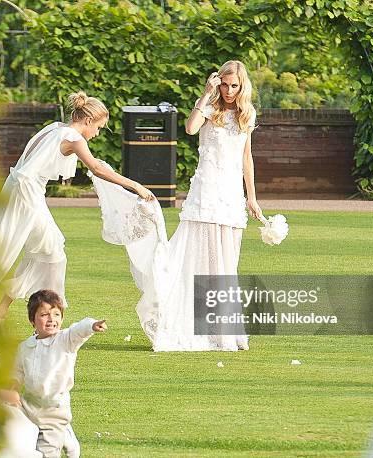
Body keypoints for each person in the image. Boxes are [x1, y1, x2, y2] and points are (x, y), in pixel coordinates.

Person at [89, 60, 261, 351]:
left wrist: (252, 196)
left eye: (235, 86)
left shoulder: (247, 114)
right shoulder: (208, 106)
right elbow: (191, 128)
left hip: (231, 194)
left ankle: (224, 330)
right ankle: (185, 323)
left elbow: (247, 157)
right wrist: (206, 94)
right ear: (218, 82)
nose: (229, 90)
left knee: (227, 261)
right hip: (206, 190)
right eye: (225, 84)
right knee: (197, 256)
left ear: (242, 86)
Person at [0, 92, 154, 321]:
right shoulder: (74, 137)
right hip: (27, 193)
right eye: (99, 128)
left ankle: (5, 311)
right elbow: (97, 169)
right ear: (88, 120)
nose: (97, 134)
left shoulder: (55, 128)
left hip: (23, 189)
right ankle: (43, 312)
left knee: (50, 251)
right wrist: (136, 186)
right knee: (14, 248)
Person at [0, 289, 107, 458]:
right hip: (29, 405)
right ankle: (65, 434)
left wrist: (91, 326)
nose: (51, 319)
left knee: (46, 451)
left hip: (54, 409)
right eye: (44, 314)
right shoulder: (25, 347)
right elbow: (17, 372)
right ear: (32, 320)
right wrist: (12, 389)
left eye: (56, 314)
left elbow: (78, 330)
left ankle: (61, 433)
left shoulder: (65, 340)